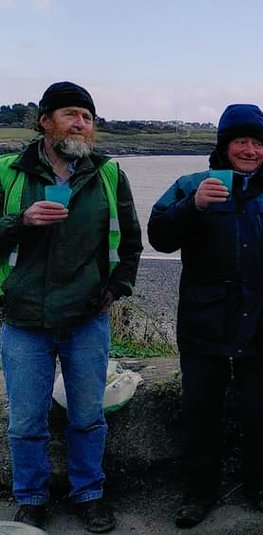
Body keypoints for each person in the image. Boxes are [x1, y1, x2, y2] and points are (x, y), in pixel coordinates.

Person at [148, 104, 263, 529]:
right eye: (239, 141)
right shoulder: (191, 185)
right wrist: (193, 207)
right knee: (200, 411)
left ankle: (261, 484)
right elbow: (158, 237)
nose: (249, 149)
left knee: (261, 410)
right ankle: (198, 492)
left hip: (262, 324)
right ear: (223, 147)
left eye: (257, 142)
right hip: (204, 323)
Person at [0, 81, 143, 533]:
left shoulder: (107, 173)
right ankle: (31, 497)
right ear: (45, 122)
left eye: (87, 116)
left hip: (87, 317)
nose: (81, 123)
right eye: (70, 114)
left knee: (87, 417)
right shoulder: (8, 171)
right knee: (25, 420)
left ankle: (89, 494)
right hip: (23, 318)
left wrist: (115, 290)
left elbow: (132, 242)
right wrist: (20, 221)